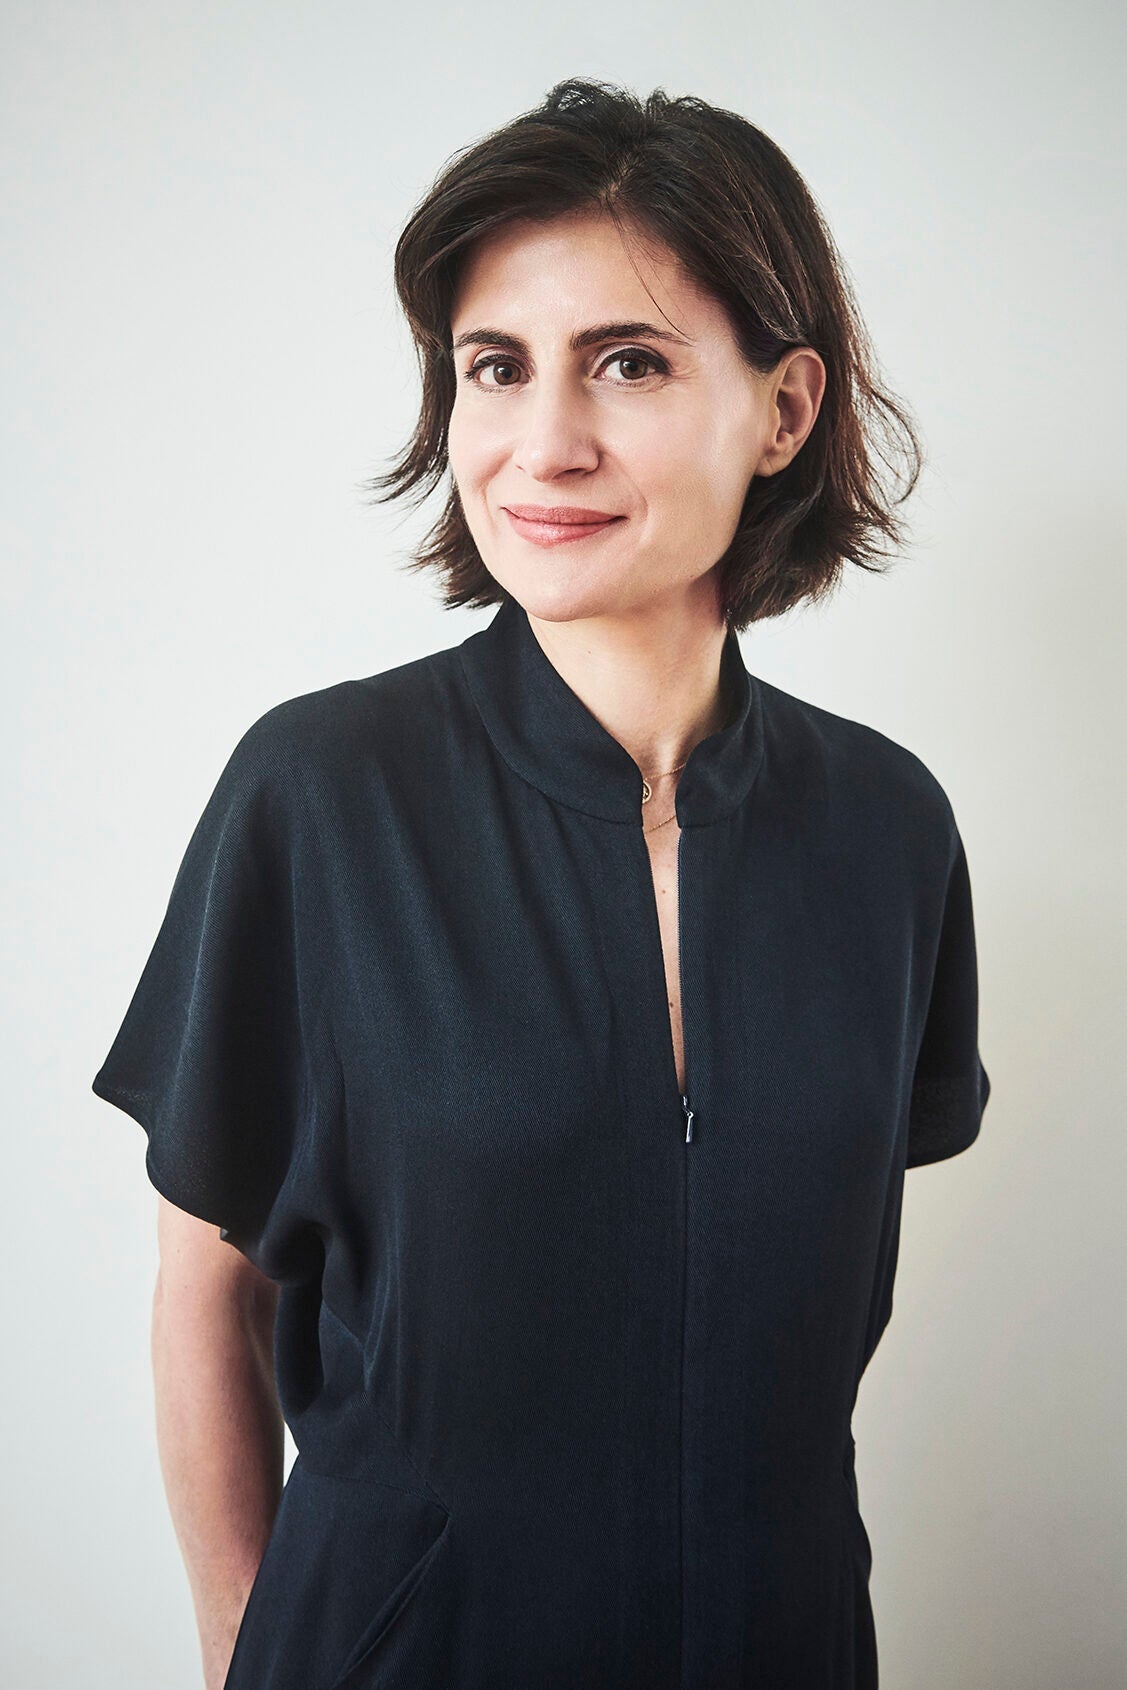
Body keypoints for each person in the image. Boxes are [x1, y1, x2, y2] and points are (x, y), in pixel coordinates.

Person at [92, 78, 991, 1690]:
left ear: (785, 411)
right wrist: (245, 1654)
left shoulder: (890, 832)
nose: (543, 443)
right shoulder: (319, 794)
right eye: (494, 368)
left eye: (628, 364)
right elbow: (199, 1294)